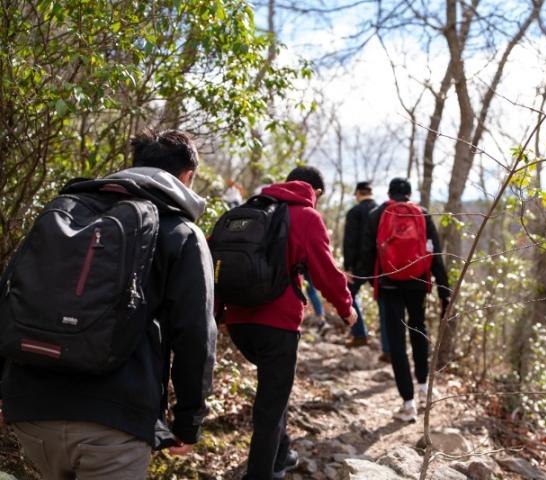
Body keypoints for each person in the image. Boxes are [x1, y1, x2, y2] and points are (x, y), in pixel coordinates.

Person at [0, 129, 217, 479]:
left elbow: (8, 295)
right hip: (115, 424)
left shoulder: (64, 212)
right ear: (187, 176)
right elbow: (195, 335)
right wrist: (188, 421)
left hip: (31, 412)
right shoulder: (181, 233)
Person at [222, 166, 357, 480]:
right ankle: (260, 474)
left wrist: (218, 313)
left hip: (238, 321)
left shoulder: (250, 209)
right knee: (270, 405)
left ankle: (281, 453)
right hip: (277, 325)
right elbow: (325, 271)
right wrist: (346, 308)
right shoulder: (307, 217)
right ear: (316, 192)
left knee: (276, 389)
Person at [359, 177, 450, 423]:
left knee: (396, 341)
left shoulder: (377, 214)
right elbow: (435, 253)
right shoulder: (422, 214)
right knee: (418, 330)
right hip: (417, 283)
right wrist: (444, 289)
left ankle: (408, 404)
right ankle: (423, 388)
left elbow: (367, 253)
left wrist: (369, 282)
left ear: (389, 193)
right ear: (409, 194)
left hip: (389, 285)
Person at [343, 182, 390, 359]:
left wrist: (348, 266)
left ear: (358, 194)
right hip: (380, 265)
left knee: (347, 296)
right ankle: (388, 350)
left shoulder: (354, 212)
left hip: (359, 265)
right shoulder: (382, 210)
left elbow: (350, 241)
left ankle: (360, 335)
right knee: (384, 304)